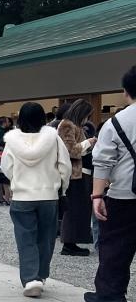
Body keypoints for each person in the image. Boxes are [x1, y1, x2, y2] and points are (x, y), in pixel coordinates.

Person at [0, 102, 72, 297]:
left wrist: (16, 180)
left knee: (25, 238)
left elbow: (6, 166)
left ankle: (31, 279)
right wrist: (62, 187)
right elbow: (65, 166)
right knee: (46, 238)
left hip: (22, 196)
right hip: (48, 195)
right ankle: (40, 275)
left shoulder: (12, 141)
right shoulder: (53, 139)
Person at [85, 66, 136, 302]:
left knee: (116, 245)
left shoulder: (116, 122)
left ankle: (110, 294)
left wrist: (97, 195)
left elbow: (103, 161)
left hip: (124, 193)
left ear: (126, 92)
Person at [57, 99, 96, 256]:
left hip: (80, 173)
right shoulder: (67, 125)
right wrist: (88, 143)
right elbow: (70, 150)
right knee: (73, 210)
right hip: (74, 175)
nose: (87, 118)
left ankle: (73, 241)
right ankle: (69, 243)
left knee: (80, 209)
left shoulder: (73, 126)